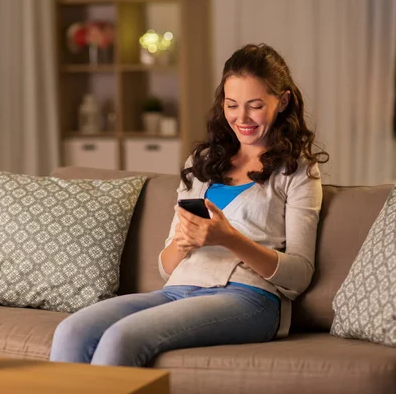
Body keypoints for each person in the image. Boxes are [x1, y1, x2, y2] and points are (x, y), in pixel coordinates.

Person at [49, 43, 328, 367]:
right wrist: (186, 241)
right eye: (232, 104)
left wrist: (228, 238)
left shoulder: (297, 170)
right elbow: (167, 266)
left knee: (122, 337)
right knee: (72, 330)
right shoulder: (203, 163)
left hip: (249, 297)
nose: (242, 118)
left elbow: (299, 276)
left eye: (255, 106)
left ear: (282, 101)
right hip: (180, 288)